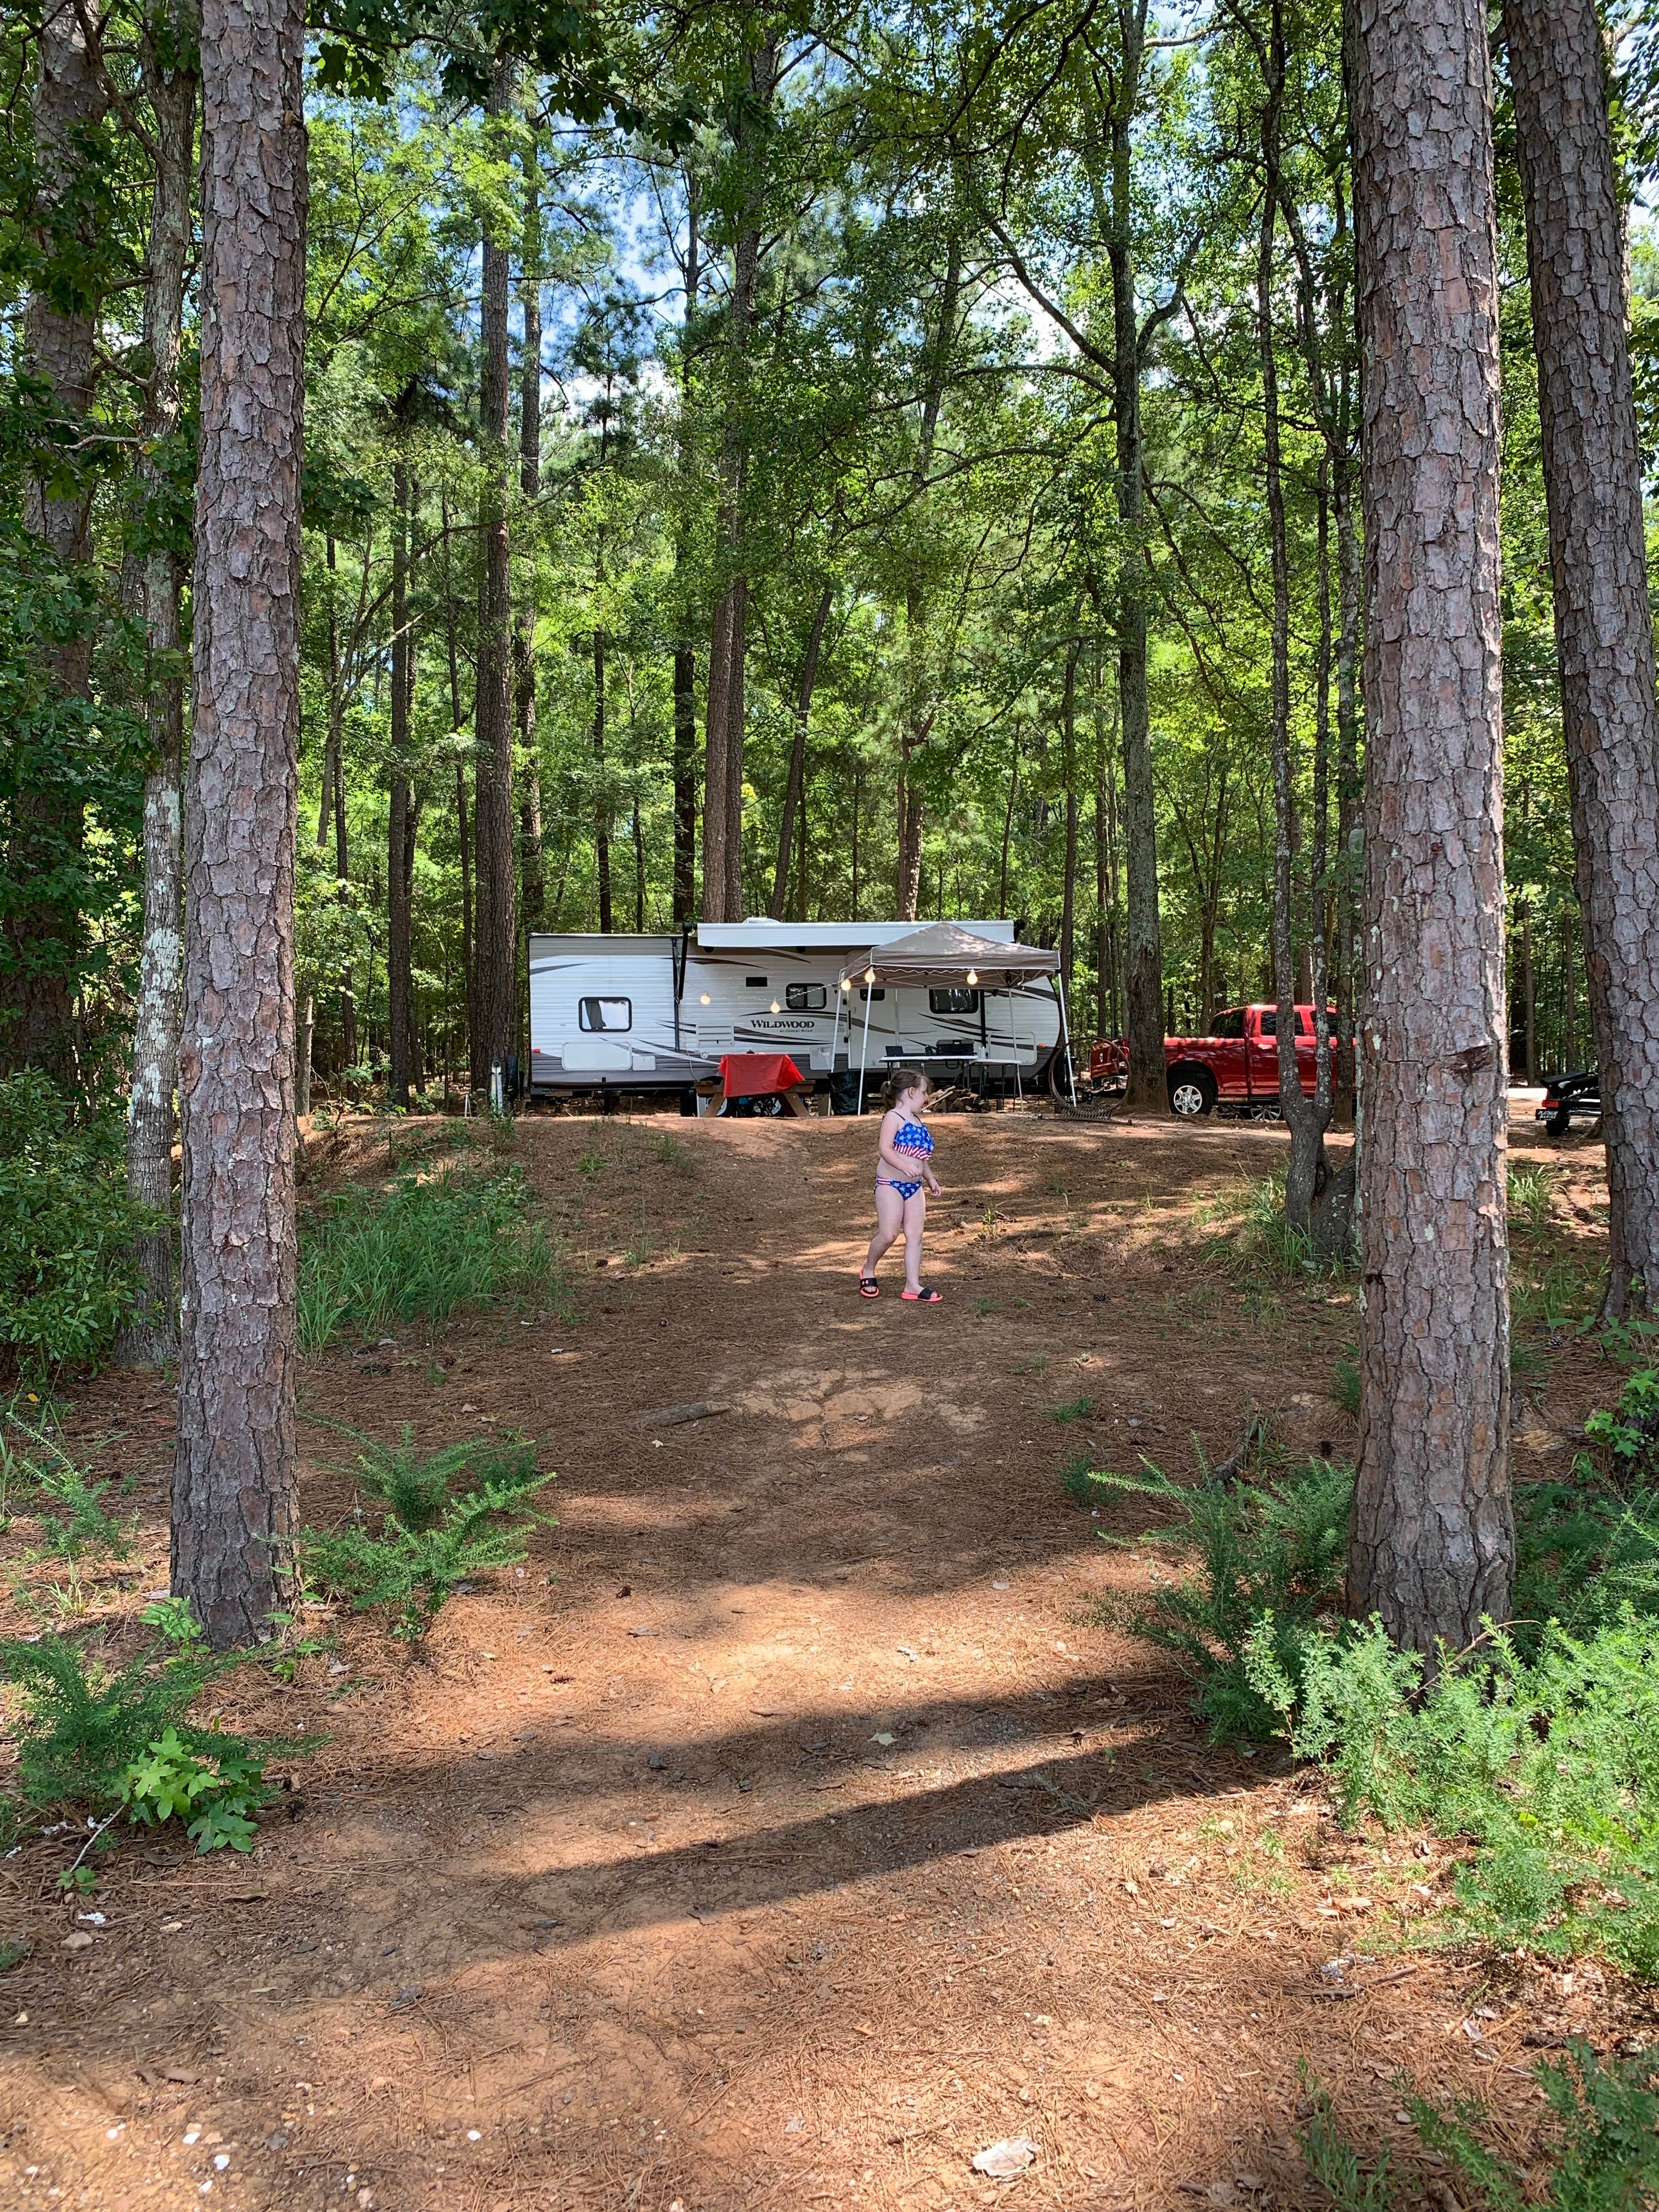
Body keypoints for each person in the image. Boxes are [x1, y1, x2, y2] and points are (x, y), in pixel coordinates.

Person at [859, 1067, 944, 1301]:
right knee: (888, 1234)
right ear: (911, 1092)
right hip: (890, 1183)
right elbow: (885, 1149)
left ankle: (912, 1285)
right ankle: (868, 1268)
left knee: (915, 1236)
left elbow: (920, 1156)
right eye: (925, 1092)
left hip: (914, 1188)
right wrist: (903, 1166)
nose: (927, 1098)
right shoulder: (893, 1118)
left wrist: (930, 1178)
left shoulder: (917, 1120)